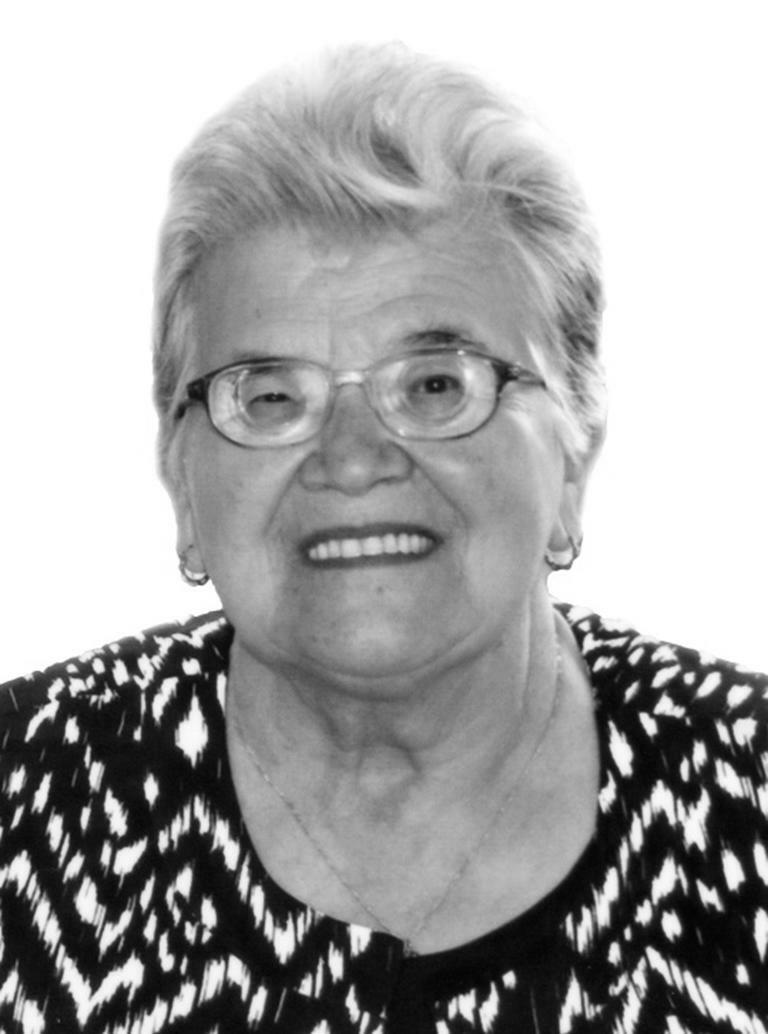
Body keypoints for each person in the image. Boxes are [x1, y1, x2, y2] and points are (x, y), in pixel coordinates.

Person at [1, 42, 766, 1034]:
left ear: (573, 452)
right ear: (182, 479)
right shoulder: (24, 790)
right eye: (271, 396)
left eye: (437, 384)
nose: (353, 459)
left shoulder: (748, 790)